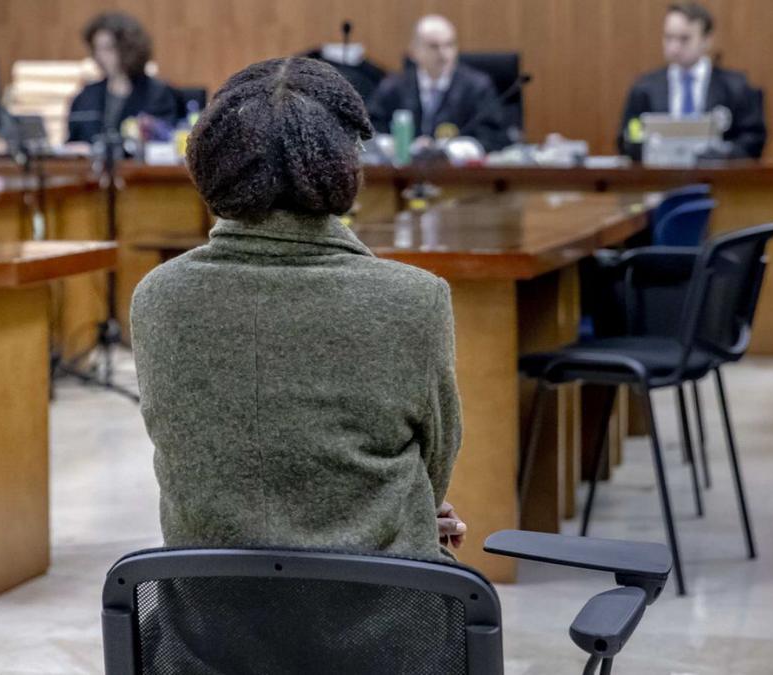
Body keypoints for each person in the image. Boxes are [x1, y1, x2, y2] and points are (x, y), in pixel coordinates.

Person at [131, 57, 465, 564]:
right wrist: (412, 512)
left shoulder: (157, 296)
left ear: (209, 161)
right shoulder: (414, 299)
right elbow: (434, 472)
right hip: (385, 619)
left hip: (204, 623)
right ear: (346, 163)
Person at [617, 2, 767, 160]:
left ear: (706, 40)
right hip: (659, 178)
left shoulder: (736, 88)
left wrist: (722, 153)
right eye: (668, 38)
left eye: (684, 39)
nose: (674, 47)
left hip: (718, 179)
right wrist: (646, 148)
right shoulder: (644, 89)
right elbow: (627, 137)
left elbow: (753, 140)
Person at [367, 15, 510, 152]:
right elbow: (371, 130)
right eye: (433, 46)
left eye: (449, 45)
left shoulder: (476, 87)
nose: (443, 53)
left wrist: (455, 149)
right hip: (403, 172)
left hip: (458, 173)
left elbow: (494, 136)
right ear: (414, 51)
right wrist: (399, 146)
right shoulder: (393, 87)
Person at [66, 12, 178, 144]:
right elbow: (72, 142)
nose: (100, 56)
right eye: (96, 49)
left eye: (108, 48)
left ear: (128, 49)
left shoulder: (157, 93)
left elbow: (166, 138)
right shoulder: (86, 95)